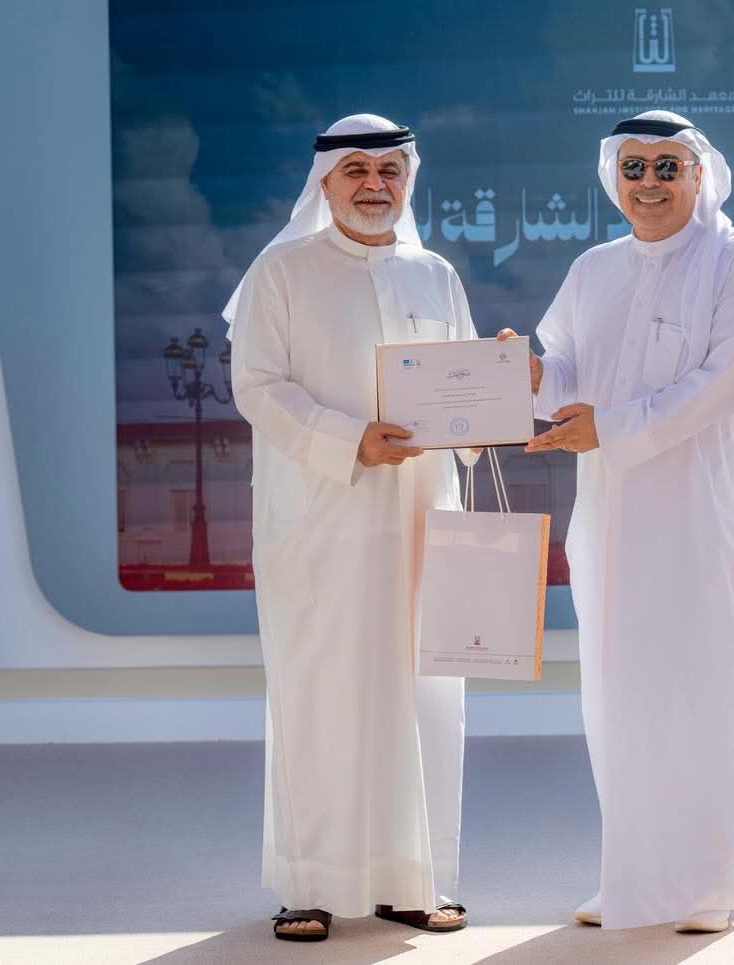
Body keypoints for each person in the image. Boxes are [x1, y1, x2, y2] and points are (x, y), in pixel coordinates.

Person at [506, 110, 734, 932]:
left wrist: (612, 425)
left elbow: (727, 381)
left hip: (711, 518)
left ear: (700, 175)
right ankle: (633, 874)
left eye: (668, 167)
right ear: (614, 177)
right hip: (614, 517)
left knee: (709, 693)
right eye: (633, 168)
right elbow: (566, 374)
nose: (649, 184)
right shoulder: (594, 268)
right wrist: (526, 374)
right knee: (619, 695)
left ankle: (706, 887)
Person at [224, 113, 473, 943]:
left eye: (389, 170)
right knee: (321, 697)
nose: (375, 185)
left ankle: (415, 881)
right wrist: (349, 439)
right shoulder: (282, 272)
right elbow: (258, 386)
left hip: (422, 522)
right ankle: (310, 883)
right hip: (320, 519)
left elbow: (468, 404)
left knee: (424, 699)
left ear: (409, 179)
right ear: (324, 183)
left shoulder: (436, 274)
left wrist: (505, 378)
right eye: (356, 171)